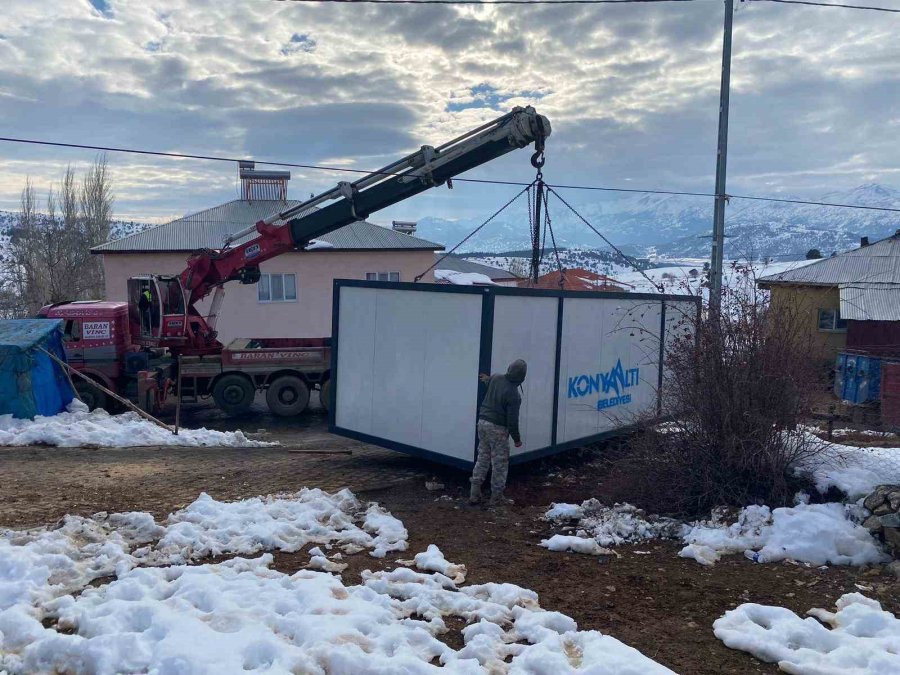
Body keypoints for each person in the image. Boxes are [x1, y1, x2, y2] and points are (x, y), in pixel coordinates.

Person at [470, 359, 527, 507]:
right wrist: (517, 439)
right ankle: (496, 497)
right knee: (499, 463)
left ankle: (474, 492)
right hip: (497, 429)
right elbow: (512, 421)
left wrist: (485, 379)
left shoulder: (496, 377)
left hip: (482, 423)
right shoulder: (514, 394)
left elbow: (491, 382)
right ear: (522, 377)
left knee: (482, 457)